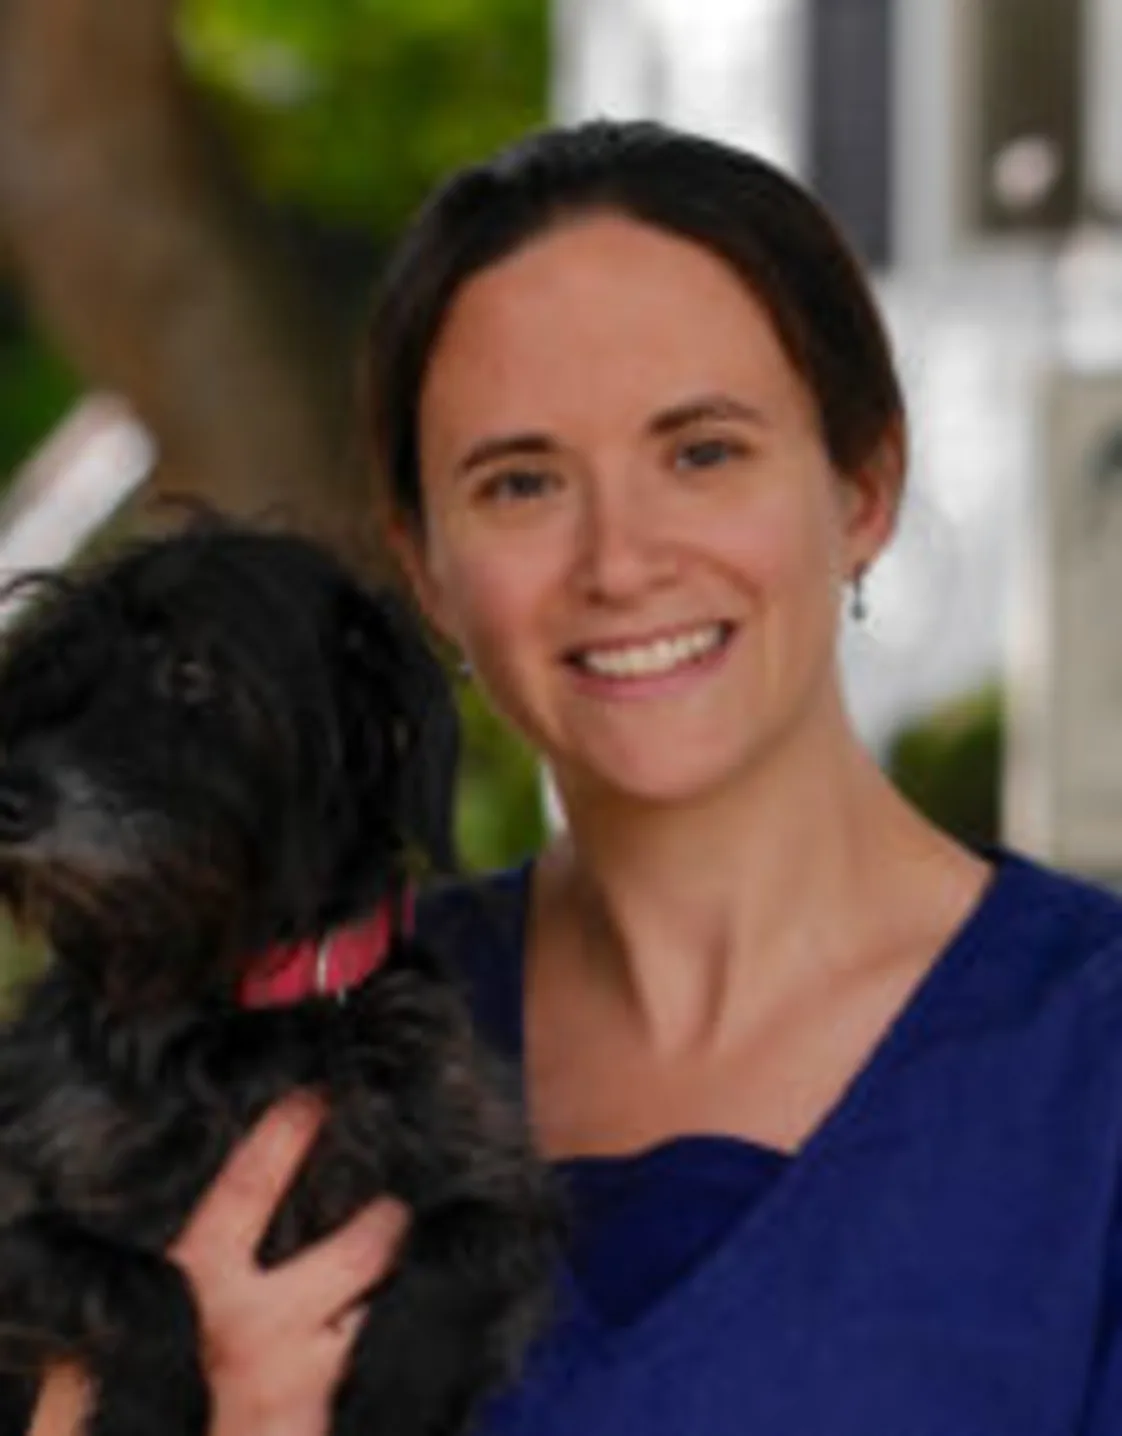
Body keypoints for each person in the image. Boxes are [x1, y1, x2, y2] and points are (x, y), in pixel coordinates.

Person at [32, 118, 1122, 1436]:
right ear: (424, 569)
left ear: (863, 486)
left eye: (702, 451)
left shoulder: (1079, 1063)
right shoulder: (243, 1042)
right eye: (521, 481)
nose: (619, 559)